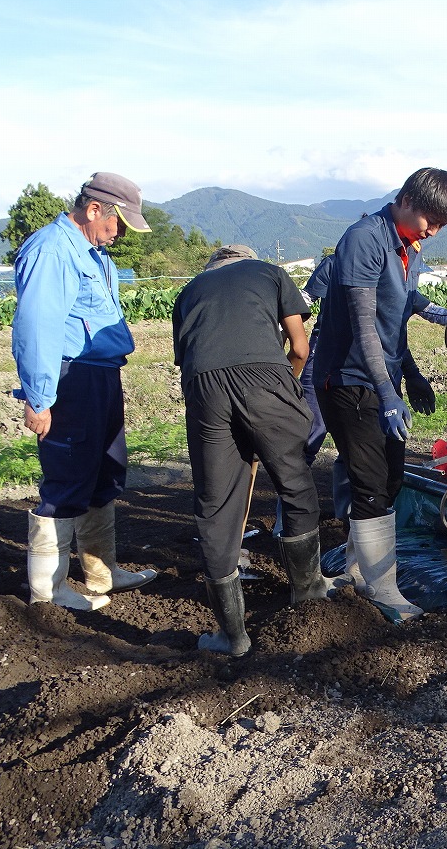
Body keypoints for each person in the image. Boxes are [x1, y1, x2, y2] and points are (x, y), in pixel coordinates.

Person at [312, 168, 447, 623]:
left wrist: (411, 375)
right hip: (348, 380)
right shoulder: (365, 238)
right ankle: (383, 588)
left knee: (392, 478)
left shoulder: (407, 248)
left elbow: (394, 321)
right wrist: (386, 391)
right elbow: (363, 326)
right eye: (431, 221)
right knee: (371, 482)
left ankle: (357, 571)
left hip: (381, 379)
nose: (433, 232)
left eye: (441, 226)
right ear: (407, 200)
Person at [172, 245, 330, 657]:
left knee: (215, 504)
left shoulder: (189, 292)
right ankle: (308, 596)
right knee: (294, 482)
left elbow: (191, 362)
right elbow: (300, 348)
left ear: (213, 266)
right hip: (265, 376)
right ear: (246, 260)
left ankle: (232, 636)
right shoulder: (270, 273)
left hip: (204, 388)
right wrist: (283, 390)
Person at [11, 172, 158, 611]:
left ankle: (101, 573)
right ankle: (49, 592)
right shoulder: (52, 250)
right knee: (68, 477)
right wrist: (40, 398)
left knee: (104, 472)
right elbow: (37, 327)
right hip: (71, 377)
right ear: (94, 210)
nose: (119, 234)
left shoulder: (94, 253)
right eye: (118, 223)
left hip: (101, 373)